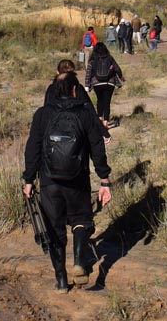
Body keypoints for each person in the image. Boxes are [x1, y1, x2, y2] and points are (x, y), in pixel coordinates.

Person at [22, 69, 112, 292]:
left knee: (55, 230)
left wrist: (29, 179)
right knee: (81, 219)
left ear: (53, 90)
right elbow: (97, 148)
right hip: (77, 179)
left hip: (49, 181)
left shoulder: (42, 114)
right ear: (75, 90)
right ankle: (80, 261)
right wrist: (104, 179)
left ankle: (61, 280)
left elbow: (32, 148)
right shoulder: (84, 113)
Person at [85, 42, 124, 131]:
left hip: (97, 84)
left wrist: (87, 85)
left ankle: (99, 119)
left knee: (100, 101)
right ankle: (105, 122)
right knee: (107, 102)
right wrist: (121, 77)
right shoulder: (109, 58)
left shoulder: (92, 60)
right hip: (109, 83)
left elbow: (88, 73)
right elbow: (117, 68)